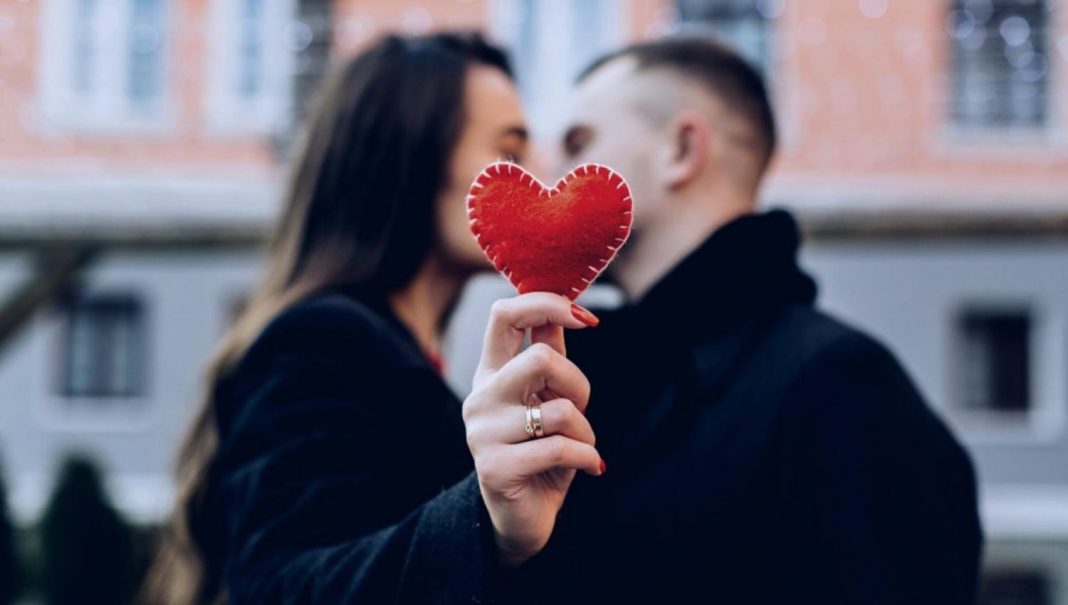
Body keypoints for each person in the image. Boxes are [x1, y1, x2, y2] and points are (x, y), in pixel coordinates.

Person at [497, 35, 983, 603]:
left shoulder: (840, 387)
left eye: (580, 143)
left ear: (681, 149)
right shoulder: (603, 373)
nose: (556, 173)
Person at [143, 32, 605, 604]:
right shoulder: (316, 343)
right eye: (510, 151)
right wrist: (485, 524)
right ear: (410, 159)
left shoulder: (397, 350)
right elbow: (279, 587)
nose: (539, 173)